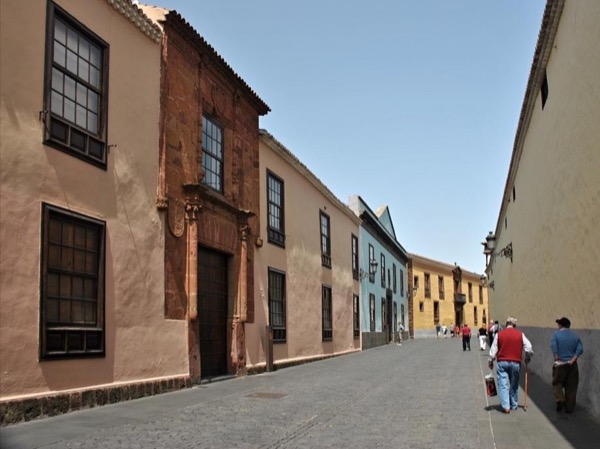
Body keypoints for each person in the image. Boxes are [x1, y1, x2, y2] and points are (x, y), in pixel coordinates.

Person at [488, 316, 533, 413]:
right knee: (514, 384)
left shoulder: (499, 334)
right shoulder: (520, 334)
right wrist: (528, 357)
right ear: (515, 325)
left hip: (502, 362)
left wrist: (490, 361)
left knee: (503, 384)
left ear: (506, 323)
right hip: (515, 362)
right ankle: (514, 404)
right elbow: (529, 347)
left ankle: (506, 406)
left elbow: (493, 351)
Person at [551, 317, 584, 413]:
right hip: (572, 365)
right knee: (571, 387)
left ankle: (560, 399)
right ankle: (569, 408)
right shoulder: (575, 336)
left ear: (561, 325)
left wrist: (557, 358)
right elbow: (580, 349)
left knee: (557, 383)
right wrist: (573, 360)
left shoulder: (556, 335)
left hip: (560, 363)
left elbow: (554, 347)